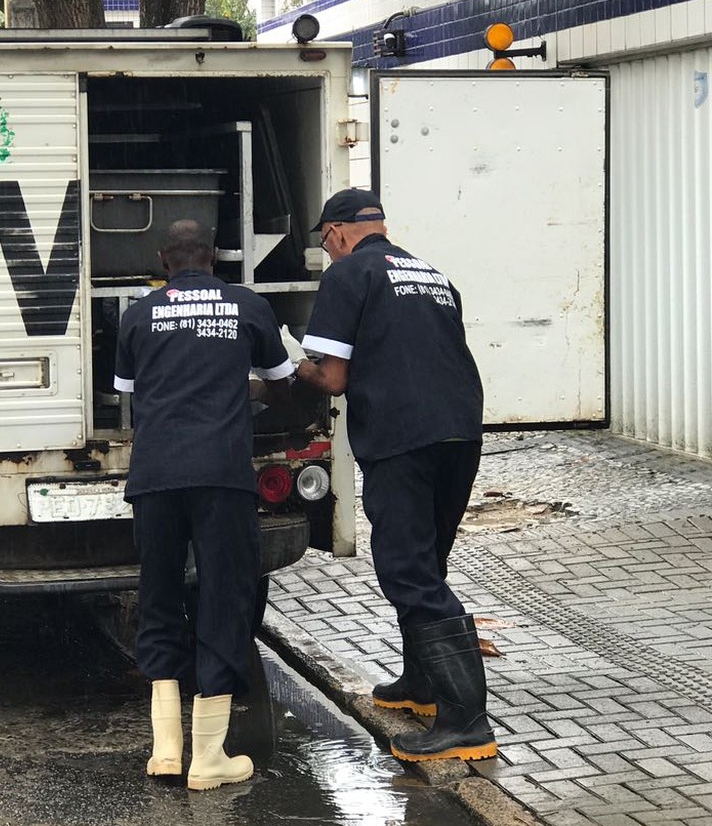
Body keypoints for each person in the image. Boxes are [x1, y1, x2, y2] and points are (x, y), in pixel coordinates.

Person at [282, 188, 497, 763]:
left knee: (408, 571)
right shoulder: (431, 273)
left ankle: (466, 723)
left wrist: (287, 366)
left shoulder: (350, 275)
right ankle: (421, 684)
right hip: (460, 433)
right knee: (428, 563)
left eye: (325, 242)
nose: (328, 253)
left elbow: (332, 378)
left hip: (403, 438)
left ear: (337, 232)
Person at [114, 219, 294, 790]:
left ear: (163, 259)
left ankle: (165, 750)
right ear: (214, 257)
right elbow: (281, 380)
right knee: (223, 599)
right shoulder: (247, 305)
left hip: (156, 476)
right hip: (221, 475)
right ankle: (208, 757)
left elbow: (129, 394)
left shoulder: (138, 313)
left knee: (159, 596)